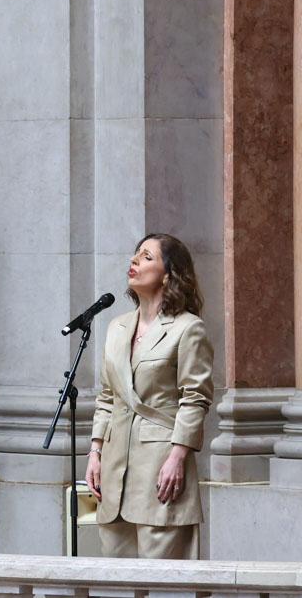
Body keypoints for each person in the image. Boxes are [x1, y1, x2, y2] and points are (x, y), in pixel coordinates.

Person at [84, 233, 214, 558]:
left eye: (146, 257)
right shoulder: (116, 327)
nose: (134, 261)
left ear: (168, 273)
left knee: (162, 581)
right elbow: (107, 397)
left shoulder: (188, 328)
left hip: (160, 467)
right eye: (135, 255)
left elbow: (195, 398)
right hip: (114, 470)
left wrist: (177, 458)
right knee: (115, 582)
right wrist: (95, 452)